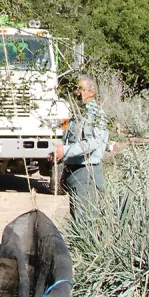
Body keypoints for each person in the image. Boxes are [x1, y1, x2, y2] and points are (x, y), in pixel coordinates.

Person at [53, 75, 111, 210]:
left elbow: (93, 142)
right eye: (76, 89)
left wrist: (65, 151)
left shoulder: (96, 115)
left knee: (84, 219)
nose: (77, 93)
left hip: (87, 172)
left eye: (81, 89)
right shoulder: (78, 114)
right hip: (74, 172)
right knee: (77, 219)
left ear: (92, 91)